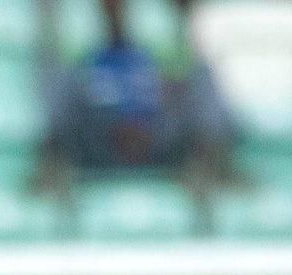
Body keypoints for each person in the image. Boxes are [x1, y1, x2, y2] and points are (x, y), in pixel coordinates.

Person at [41, 0, 236, 188]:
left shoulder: (168, 62)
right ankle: (52, 173)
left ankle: (211, 169)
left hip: (161, 148)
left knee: (200, 83)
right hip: (99, 149)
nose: (116, 7)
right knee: (63, 86)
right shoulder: (81, 66)